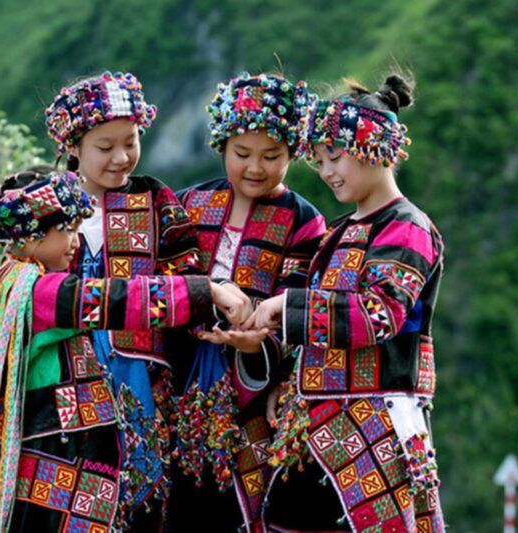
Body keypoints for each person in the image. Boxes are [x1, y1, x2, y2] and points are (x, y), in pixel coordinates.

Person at [0, 169, 248, 532]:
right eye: (66, 230)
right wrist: (205, 292)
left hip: (54, 454)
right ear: (33, 234)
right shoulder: (41, 294)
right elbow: (117, 300)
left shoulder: (15, 286)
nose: (75, 241)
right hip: (58, 455)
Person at [245, 74, 446, 532]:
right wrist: (283, 377)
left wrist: (287, 307)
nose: (328, 171)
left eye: (335, 157)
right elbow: (315, 323)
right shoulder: (337, 232)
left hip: (375, 426)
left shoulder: (407, 227)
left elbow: (380, 314)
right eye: (318, 161)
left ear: (375, 147)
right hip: (313, 427)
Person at [46, 71, 243, 530]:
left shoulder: (154, 201)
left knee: (142, 484)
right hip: (65, 368)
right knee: (73, 483)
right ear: (73, 146)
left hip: (140, 372)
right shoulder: (49, 206)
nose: (121, 158)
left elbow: (187, 269)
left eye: (130, 142)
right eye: (104, 146)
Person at [168, 72, 326, 532]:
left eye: (271, 156)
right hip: (178, 383)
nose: (255, 167)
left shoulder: (303, 223)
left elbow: (296, 309)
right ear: (221, 146)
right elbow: (168, 277)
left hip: (253, 395)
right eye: (242, 154)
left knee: (241, 505)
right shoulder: (189, 204)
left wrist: (258, 347)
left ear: (293, 153)